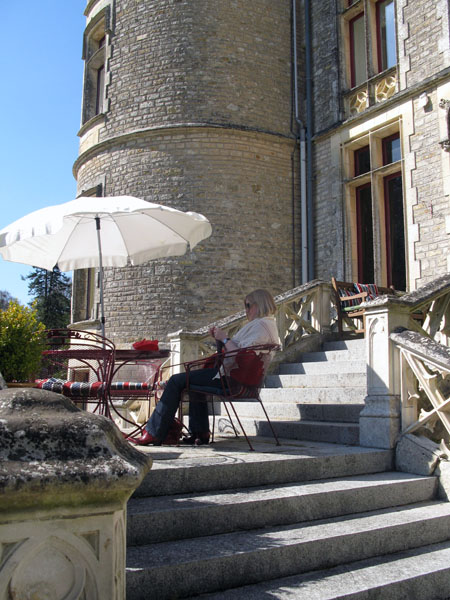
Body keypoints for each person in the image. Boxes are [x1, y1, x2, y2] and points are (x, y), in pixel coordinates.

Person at [131, 289, 281, 446]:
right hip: (240, 379)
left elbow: (239, 354)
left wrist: (224, 338)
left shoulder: (260, 326)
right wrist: (220, 339)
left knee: (176, 380)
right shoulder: (266, 325)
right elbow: (241, 352)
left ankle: (154, 433)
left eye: (248, 305)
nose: (246, 310)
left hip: (233, 381)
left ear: (259, 305)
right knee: (192, 384)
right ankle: (200, 433)